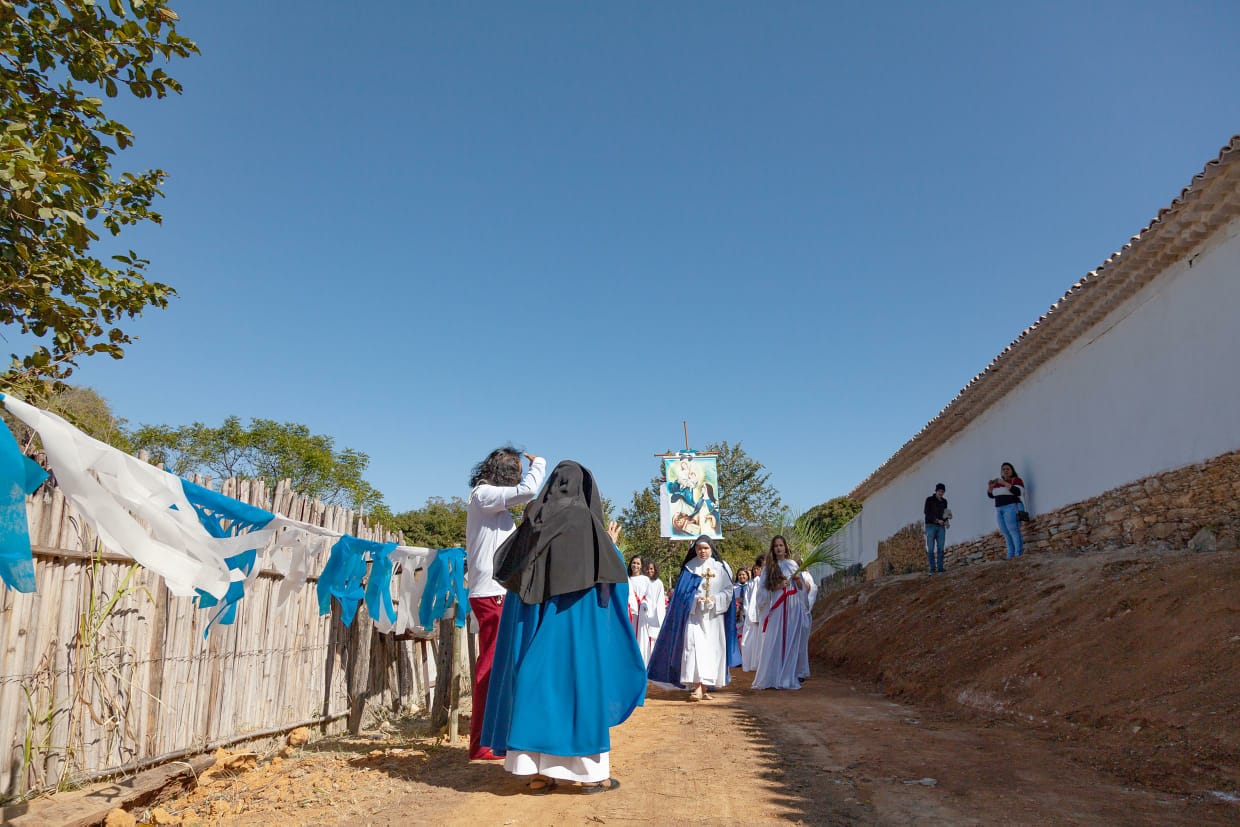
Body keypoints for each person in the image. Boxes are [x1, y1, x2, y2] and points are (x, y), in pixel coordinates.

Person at [481, 461, 645, 794]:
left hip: (533, 623)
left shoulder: (534, 519)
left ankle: (538, 774)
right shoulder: (586, 523)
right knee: (579, 689)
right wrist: (610, 545)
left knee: (535, 685)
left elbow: (517, 580)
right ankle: (590, 775)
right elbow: (611, 583)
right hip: (575, 624)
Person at [464, 446, 546, 761]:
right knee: (491, 666)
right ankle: (482, 743)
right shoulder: (483, 496)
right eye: (514, 475)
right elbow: (529, 491)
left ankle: (495, 735)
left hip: (496, 590)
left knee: (500, 664)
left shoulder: (493, 508)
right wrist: (540, 464)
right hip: (490, 592)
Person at [646, 535, 740, 701]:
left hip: (713, 618)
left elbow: (728, 591)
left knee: (711, 651)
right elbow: (682, 594)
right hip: (694, 616)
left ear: (711, 549)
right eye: (699, 548)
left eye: (705, 548)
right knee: (693, 649)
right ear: (694, 550)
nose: (702, 552)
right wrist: (695, 600)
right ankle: (696, 687)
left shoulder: (719, 568)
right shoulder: (689, 568)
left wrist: (714, 599)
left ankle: (704, 688)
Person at [752, 536, 813, 690]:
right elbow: (764, 591)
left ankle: (789, 675)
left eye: (781, 545)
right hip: (778, 606)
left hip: (793, 607)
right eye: (775, 546)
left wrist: (798, 581)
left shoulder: (792, 565)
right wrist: (778, 586)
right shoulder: (769, 568)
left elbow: (802, 588)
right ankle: (775, 675)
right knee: (775, 638)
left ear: (786, 547)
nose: (779, 548)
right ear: (772, 549)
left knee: (791, 640)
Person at [987, 462, 1026, 559]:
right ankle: (1010, 554)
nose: (1005, 471)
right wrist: (990, 487)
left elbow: (1019, 492)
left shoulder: (1016, 480)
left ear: (1012, 470)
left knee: (1013, 530)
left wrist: (1004, 483)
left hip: (1011, 507)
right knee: (1005, 532)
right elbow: (991, 495)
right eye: (1003, 469)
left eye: (1007, 469)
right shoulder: (997, 484)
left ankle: (1018, 554)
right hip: (999, 509)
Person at [638, 560, 666, 664]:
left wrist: (657, 615)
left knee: (653, 639)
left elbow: (660, 601)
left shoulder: (658, 583)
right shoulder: (642, 581)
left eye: (651, 569)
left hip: (655, 614)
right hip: (643, 613)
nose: (649, 571)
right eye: (648, 569)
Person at [739, 561, 763, 672]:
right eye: (754, 569)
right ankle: (750, 663)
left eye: (758, 569)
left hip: (761, 614)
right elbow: (748, 600)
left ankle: (759, 662)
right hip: (750, 616)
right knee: (749, 640)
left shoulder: (763, 582)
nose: (756, 571)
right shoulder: (751, 583)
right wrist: (749, 614)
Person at [924, 483, 949, 574]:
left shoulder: (944, 501)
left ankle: (940, 568)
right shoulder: (929, 500)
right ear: (936, 491)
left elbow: (945, 513)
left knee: (941, 547)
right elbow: (926, 512)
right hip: (930, 526)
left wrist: (946, 521)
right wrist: (937, 520)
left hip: (941, 527)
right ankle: (932, 569)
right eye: (939, 491)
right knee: (930, 548)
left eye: (942, 491)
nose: (941, 493)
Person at [626, 555, 650, 634]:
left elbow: (649, 596)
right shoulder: (626, 579)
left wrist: (644, 604)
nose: (635, 565)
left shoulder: (645, 580)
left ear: (641, 566)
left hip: (641, 612)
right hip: (629, 611)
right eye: (634, 563)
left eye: (638, 563)